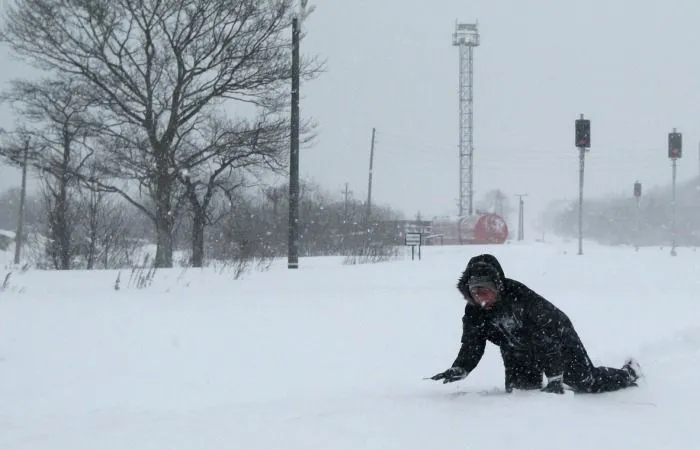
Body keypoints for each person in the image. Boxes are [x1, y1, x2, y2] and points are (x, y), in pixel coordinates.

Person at [429, 254, 641, 394]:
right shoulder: (473, 311)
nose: (481, 299)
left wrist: (555, 377)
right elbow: (472, 344)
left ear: (497, 287)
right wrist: (461, 367)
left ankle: (628, 373)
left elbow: (546, 342)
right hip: (516, 349)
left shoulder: (522, 301)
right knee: (522, 393)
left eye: (486, 292)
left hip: (558, 337)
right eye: (475, 293)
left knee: (585, 382)